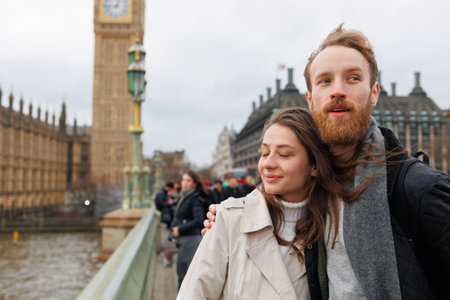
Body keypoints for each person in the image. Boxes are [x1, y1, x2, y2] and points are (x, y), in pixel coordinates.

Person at [203, 24, 450, 299]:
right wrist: (228, 215)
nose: (338, 91)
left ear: (374, 93)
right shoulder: (315, 184)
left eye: (353, 78)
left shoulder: (422, 189)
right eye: (325, 81)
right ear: (310, 99)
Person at [178, 108, 346, 299]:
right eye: (265, 153)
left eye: (284, 154)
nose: (268, 163)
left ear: (315, 165)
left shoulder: (333, 227)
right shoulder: (228, 218)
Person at [170, 170, 208, 289]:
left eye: (188, 181)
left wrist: (180, 229)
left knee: (186, 276)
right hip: (185, 240)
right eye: (183, 180)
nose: (184, 183)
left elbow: (198, 220)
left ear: (194, 184)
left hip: (190, 240)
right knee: (182, 274)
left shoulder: (194, 198)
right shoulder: (185, 196)